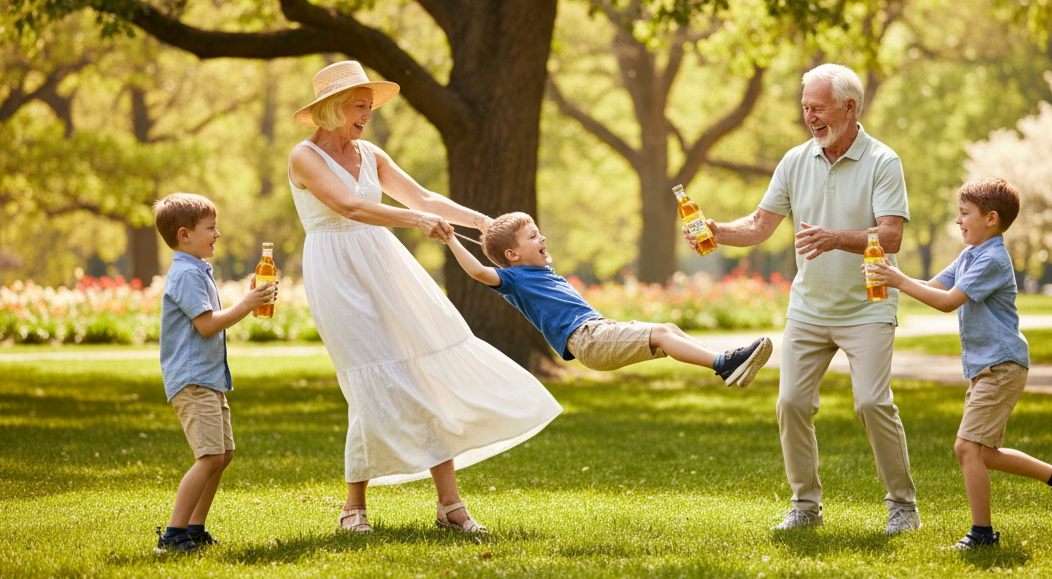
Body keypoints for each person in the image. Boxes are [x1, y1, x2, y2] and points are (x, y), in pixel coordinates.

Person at [288, 61, 562, 536]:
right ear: (332, 108)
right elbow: (349, 206)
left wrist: (479, 221)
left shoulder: (370, 153)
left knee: (424, 369)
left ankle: (450, 506)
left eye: (369, 106)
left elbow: (422, 197)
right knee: (368, 376)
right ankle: (354, 507)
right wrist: (414, 221)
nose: (366, 115)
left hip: (385, 263)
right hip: (337, 270)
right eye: (359, 105)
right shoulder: (304, 157)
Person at [689, 63, 920, 535]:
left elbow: (891, 237)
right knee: (791, 402)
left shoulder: (883, 161)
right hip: (809, 309)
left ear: (849, 108)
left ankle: (903, 507)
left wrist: (835, 238)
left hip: (867, 306)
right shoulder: (795, 161)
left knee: (873, 404)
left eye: (817, 108)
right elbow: (758, 225)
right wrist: (718, 231)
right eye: (804, 108)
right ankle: (805, 506)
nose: (809, 117)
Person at [865, 178, 1052, 549]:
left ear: (991, 219)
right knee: (983, 453)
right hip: (990, 367)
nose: (957, 220)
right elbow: (935, 287)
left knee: (966, 448)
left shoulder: (994, 259)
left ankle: (982, 535)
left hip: (1001, 366)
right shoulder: (971, 255)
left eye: (964, 214)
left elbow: (950, 302)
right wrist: (890, 273)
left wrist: (897, 280)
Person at [445, 213, 773, 385]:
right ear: (511, 254)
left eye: (539, 231)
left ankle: (726, 362)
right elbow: (477, 271)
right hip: (588, 340)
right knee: (661, 334)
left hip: (598, 331)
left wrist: (500, 227)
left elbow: (507, 240)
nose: (542, 237)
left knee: (669, 328)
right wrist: (451, 240)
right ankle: (724, 364)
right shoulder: (513, 279)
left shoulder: (538, 269)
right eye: (533, 236)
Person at [152, 192, 277, 553]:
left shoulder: (196, 271)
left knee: (222, 456)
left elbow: (210, 321)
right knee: (208, 457)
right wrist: (247, 303)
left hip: (207, 378)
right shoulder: (186, 274)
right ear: (184, 235)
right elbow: (207, 326)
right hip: (193, 381)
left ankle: (194, 529)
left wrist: (247, 297)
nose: (217, 234)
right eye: (210, 228)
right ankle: (173, 536)